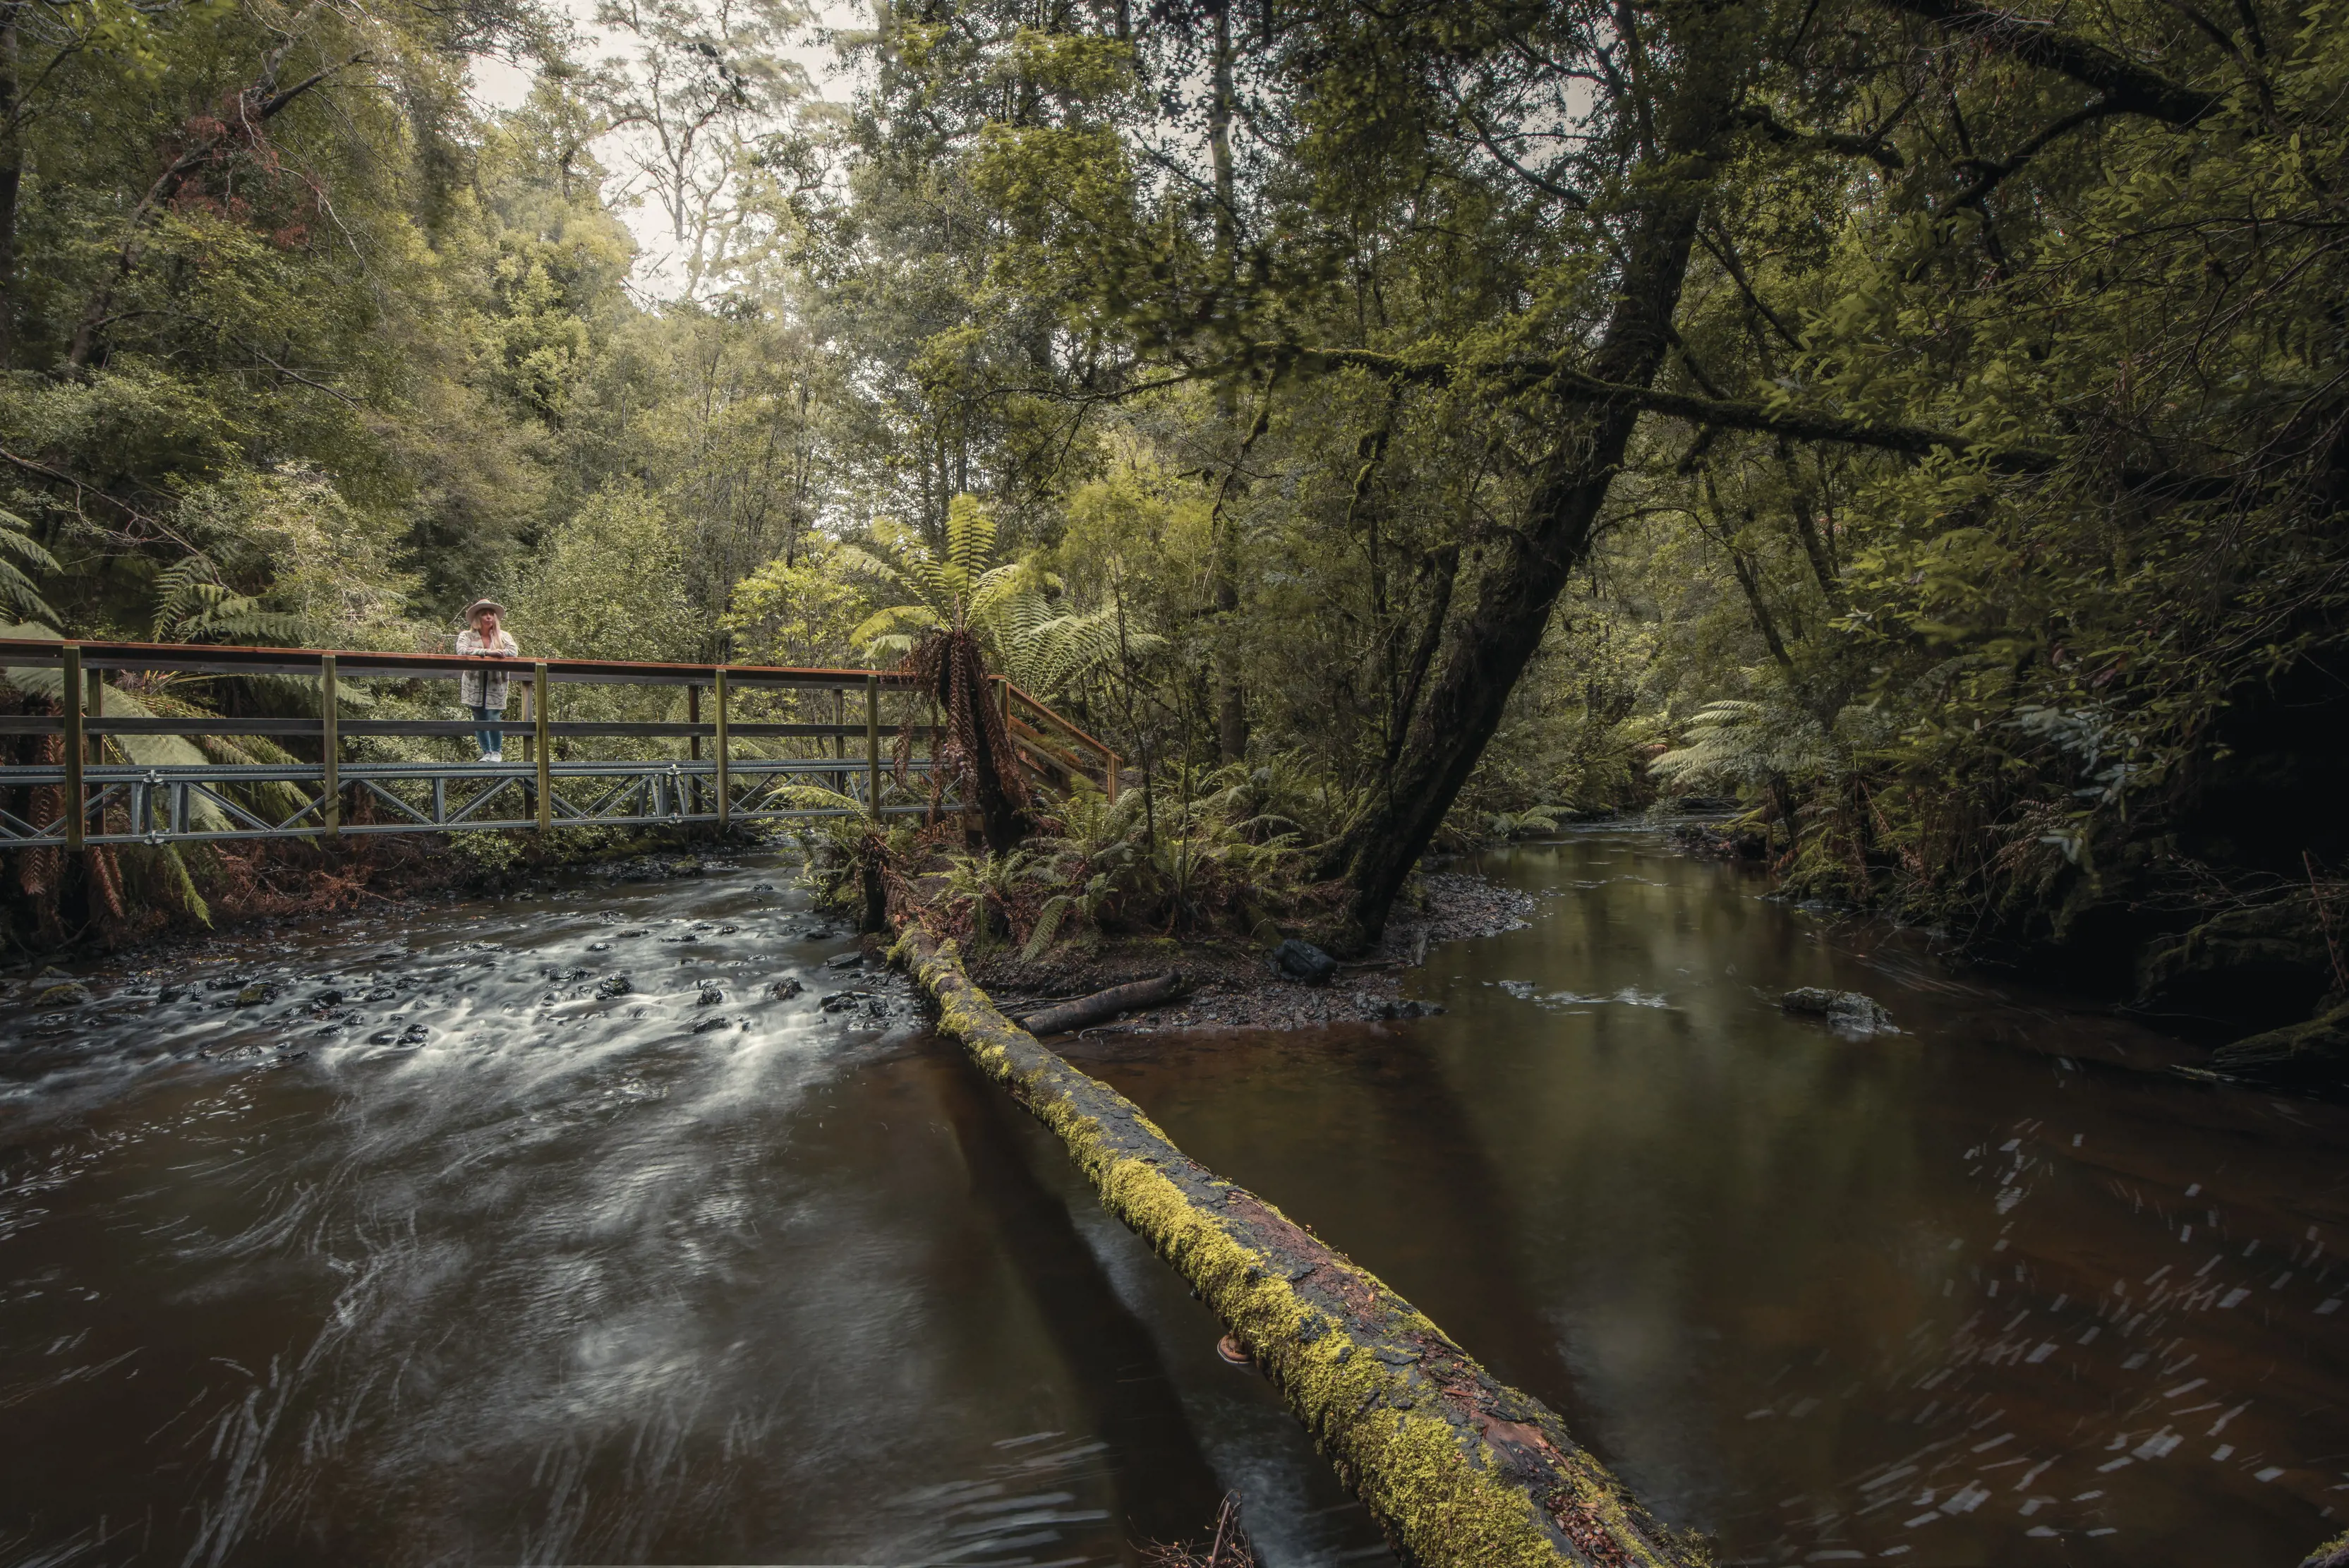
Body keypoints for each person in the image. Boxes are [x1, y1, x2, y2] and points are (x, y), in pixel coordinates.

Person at [456, 599, 520, 762]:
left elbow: (513, 652)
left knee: (493, 715)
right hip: (474, 681)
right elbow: (462, 651)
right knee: (479, 716)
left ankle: (497, 752)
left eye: (491, 614)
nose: (489, 617)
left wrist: (481, 652)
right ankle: (486, 752)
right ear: (478, 617)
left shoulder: (503, 636)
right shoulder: (467, 635)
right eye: (484, 614)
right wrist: (489, 652)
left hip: (495, 680)